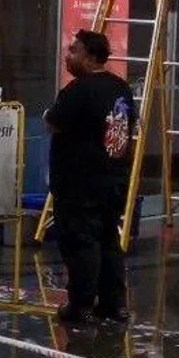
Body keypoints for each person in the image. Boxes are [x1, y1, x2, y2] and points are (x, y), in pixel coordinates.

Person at [45, 30, 135, 324]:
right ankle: (114, 305)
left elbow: (55, 123)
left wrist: (49, 114)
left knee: (81, 243)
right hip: (114, 179)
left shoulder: (78, 90)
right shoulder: (121, 88)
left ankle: (80, 305)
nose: (68, 56)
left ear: (90, 57)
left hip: (80, 184)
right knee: (109, 240)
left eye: (74, 51)